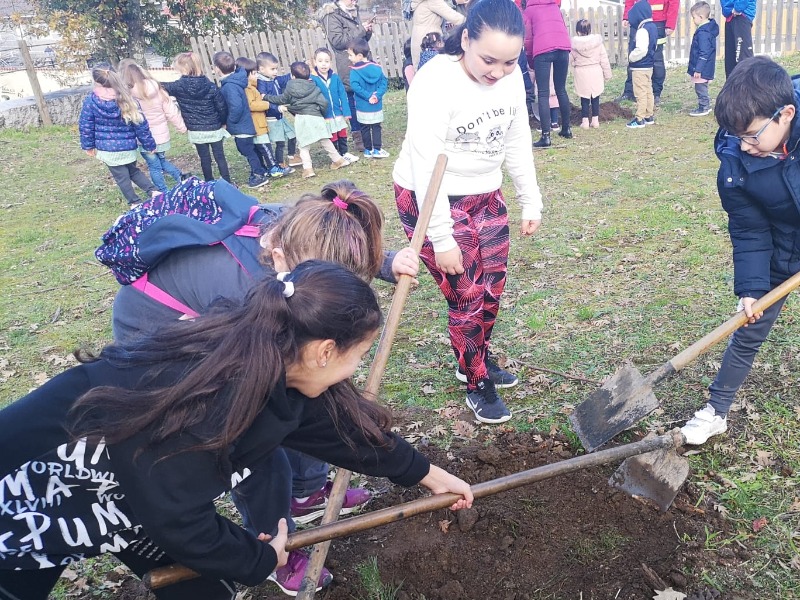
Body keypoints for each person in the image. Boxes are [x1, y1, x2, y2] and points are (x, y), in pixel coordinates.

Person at [0, 261, 473, 600]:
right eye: (359, 355)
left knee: (202, 589)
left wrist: (426, 473)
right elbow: (179, 520)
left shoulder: (274, 357)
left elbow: (336, 428)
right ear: (325, 351)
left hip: (131, 493)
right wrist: (258, 559)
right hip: (29, 493)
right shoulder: (208, 402)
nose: (357, 368)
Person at [110, 179, 420, 595]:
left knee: (305, 392)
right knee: (258, 446)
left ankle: (306, 493)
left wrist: (386, 263)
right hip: (160, 330)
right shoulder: (252, 296)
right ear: (280, 258)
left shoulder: (305, 222)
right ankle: (273, 544)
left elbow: (338, 258)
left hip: (221, 314)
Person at [393, 0, 544, 424]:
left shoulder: (510, 82)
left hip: (485, 193)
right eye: (488, 60)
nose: (498, 72)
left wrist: (530, 199)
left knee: (492, 287)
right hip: (430, 196)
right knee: (467, 293)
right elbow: (426, 164)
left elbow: (516, 140)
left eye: (510, 62)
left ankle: (474, 357)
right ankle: (476, 378)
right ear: (465, 40)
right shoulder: (435, 81)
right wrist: (441, 238)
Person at [680, 57, 800, 445]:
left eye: (752, 135)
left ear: (786, 114)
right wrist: (751, 288)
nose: (745, 145)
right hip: (781, 249)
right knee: (748, 327)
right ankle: (716, 411)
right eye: (738, 136)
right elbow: (750, 230)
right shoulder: (735, 163)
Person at [78, 64, 159, 205]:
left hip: (108, 150)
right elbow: (140, 124)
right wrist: (149, 144)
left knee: (122, 178)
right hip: (128, 147)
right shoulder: (127, 98)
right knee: (133, 171)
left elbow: (86, 126)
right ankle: (153, 191)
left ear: (96, 81)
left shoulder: (91, 101)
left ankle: (134, 202)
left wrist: (88, 146)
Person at [263, 61, 349, 179]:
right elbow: (323, 102)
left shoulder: (290, 86)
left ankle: (308, 169)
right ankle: (338, 160)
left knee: (303, 145)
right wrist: (321, 113)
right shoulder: (313, 85)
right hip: (316, 117)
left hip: (301, 118)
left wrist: (266, 97)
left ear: (293, 76)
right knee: (324, 139)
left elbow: (282, 99)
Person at [118, 59, 189, 193]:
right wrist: (181, 126)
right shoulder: (158, 89)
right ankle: (180, 177)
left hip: (143, 138)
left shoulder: (127, 96)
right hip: (161, 136)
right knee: (161, 161)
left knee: (154, 166)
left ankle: (163, 191)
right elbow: (171, 111)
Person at [163, 52, 231, 184]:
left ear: (183, 68)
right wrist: (223, 122)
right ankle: (227, 182)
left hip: (196, 130)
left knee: (204, 158)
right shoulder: (210, 86)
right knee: (220, 156)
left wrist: (145, 79)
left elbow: (161, 86)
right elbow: (221, 106)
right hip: (214, 128)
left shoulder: (177, 86)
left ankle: (209, 182)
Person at [317, 0, 374, 152]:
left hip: (363, 62)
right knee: (353, 100)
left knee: (367, 96)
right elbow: (338, 42)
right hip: (348, 63)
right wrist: (361, 29)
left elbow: (359, 41)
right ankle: (358, 136)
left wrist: (367, 31)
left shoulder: (353, 10)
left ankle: (369, 132)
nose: (355, 1)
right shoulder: (331, 14)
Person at [214, 51, 270, 189]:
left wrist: (230, 121)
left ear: (217, 68)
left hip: (241, 126)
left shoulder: (230, 86)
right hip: (244, 124)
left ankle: (258, 174)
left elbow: (236, 107)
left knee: (247, 150)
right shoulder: (235, 81)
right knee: (249, 149)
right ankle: (260, 170)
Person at [523, 0, 573, 147]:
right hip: (563, 48)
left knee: (543, 93)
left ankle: (546, 136)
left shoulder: (530, 10)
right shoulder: (554, 6)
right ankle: (566, 129)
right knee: (561, 89)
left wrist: (531, 61)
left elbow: (528, 39)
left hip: (542, 50)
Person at [236, 56, 293, 178]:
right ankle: (273, 168)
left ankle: (266, 168)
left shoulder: (253, 86)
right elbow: (251, 105)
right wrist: (267, 104)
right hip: (257, 125)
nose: (256, 75)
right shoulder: (248, 89)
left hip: (260, 123)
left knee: (264, 148)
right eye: (254, 73)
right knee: (266, 148)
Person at [618, 0, 679, 105]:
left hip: (657, 21)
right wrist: (627, 16)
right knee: (634, 57)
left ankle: (655, 93)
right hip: (637, 20)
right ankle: (630, 92)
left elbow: (674, 2)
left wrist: (670, 23)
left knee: (656, 60)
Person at [312, 47, 360, 164]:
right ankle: (336, 156)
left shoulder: (335, 77)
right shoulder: (313, 79)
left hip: (338, 112)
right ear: (315, 62)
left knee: (342, 132)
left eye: (326, 61)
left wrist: (346, 112)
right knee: (332, 135)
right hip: (326, 114)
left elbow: (343, 95)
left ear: (331, 63)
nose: (324, 64)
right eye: (320, 61)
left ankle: (344, 153)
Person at [254, 52, 302, 169]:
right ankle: (279, 162)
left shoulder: (274, 79)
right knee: (280, 142)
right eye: (272, 69)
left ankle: (291, 157)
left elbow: (284, 78)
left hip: (280, 116)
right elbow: (264, 101)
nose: (276, 71)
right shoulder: (261, 83)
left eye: (276, 68)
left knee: (292, 135)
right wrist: (277, 108)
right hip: (272, 118)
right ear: (261, 69)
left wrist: (296, 71)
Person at [347, 39, 389, 159]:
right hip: (376, 105)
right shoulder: (377, 68)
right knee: (376, 127)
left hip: (362, 106)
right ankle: (377, 150)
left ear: (359, 56)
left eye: (350, 55)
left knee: (364, 128)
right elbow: (384, 82)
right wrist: (376, 95)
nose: (349, 58)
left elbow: (355, 86)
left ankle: (368, 150)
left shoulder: (355, 71)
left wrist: (367, 96)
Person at [570, 19, 612, 130]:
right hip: (595, 72)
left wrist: (574, 64)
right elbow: (604, 59)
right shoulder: (598, 44)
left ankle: (585, 121)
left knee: (584, 98)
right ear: (590, 30)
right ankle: (595, 120)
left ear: (578, 31)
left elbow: (570, 59)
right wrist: (607, 74)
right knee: (595, 97)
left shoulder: (574, 45)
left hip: (582, 73)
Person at [625, 0, 657, 129]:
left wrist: (631, 57)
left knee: (640, 93)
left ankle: (639, 118)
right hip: (649, 66)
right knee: (648, 91)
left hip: (640, 67)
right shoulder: (653, 27)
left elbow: (642, 49)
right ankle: (649, 115)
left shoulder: (642, 30)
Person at [409, 0, 466, 67]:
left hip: (419, 38)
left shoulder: (419, 2)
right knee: (435, 69)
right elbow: (453, 16)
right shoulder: (432, 1)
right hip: (431, 39)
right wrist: (470, 21)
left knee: (421, 70)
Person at [687, 1, 719, 118]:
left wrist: (698, 69)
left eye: (694, 17)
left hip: (702, 68)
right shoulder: (707, 29)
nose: (693, 20)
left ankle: (704, 107)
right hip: (705, 66)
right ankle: (705, 105)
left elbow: (704, 52)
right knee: (701, 87)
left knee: (700, 88)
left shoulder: (703, 33)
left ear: (701, 17)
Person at [722, 0, 755, 77]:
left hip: (742, 13)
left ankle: (747, 84)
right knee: (730, 60)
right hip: (730, 15)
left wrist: (738, 7)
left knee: (743, 58)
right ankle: (731, 84)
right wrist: (728, 10)